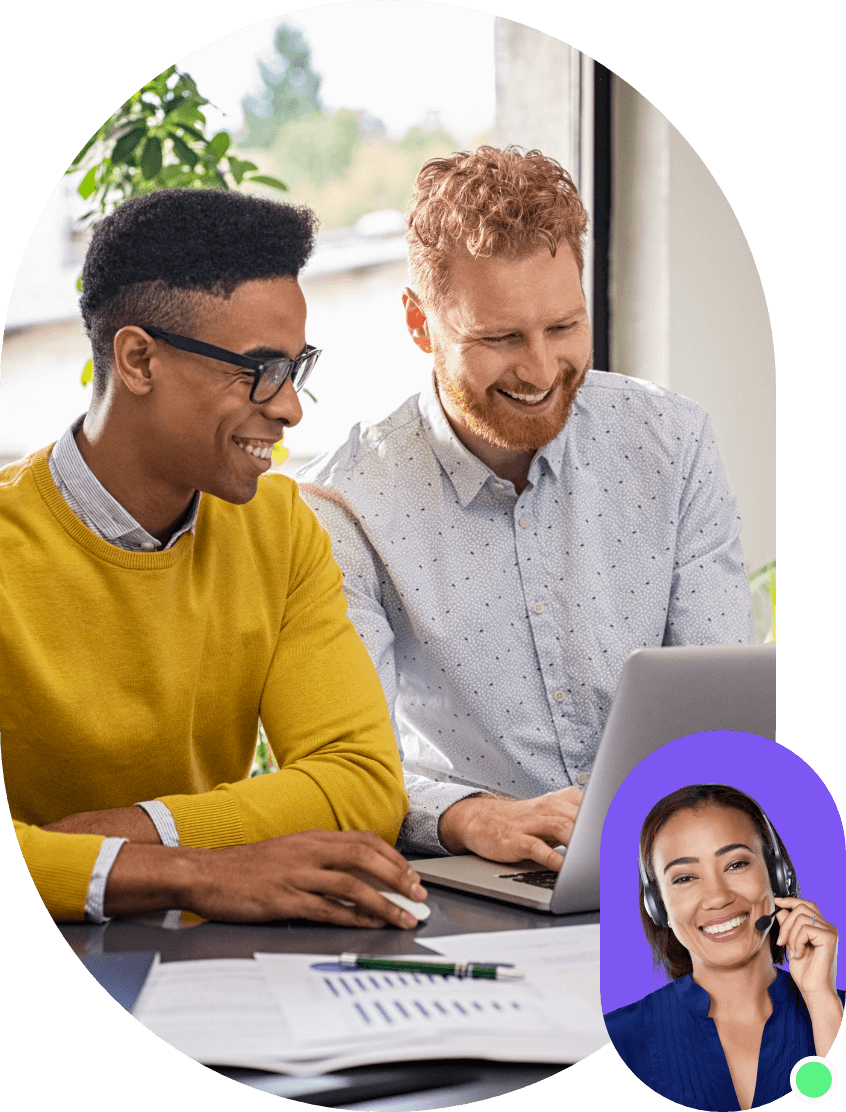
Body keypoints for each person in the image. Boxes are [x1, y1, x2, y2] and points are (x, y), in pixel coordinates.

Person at [296, 145, 755, 869]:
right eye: (500, 338)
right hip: (477, 881)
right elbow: (350, 767)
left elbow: (723, 716)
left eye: (564, 328)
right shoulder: (342, 502)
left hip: (677, 864)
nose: (541, 371)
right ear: (420, 324)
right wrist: (468, 818)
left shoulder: (672, 442)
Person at [1, 187, 428, 932]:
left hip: (209, 968)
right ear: (138, 360)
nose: (291, 406)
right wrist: (192, 871)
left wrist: (119, 844)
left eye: (298, 367)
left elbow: (361, 782)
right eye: (260, 369)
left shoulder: (280, 527)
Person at [603, 785, 844, 1109]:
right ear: (657, 906)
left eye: (736, 865)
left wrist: (821, 1001)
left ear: (776, 876)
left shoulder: (833, 1010)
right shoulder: (618, 1037)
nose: (718, 897)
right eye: (685, 878)